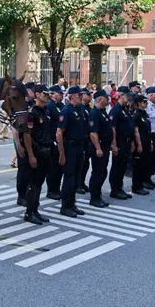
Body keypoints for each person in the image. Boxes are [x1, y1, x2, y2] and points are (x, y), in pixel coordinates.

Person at [22, 84, 54, 225]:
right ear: (37, 95)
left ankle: (35, 210)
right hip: (36, 151)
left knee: (39, 182)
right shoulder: (32, 113)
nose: (47, 96)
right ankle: (29, 212)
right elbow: (27, 135)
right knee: (33, 183)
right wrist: (31, 155)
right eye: (44, 94)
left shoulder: (46, 111)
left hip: (46, 151)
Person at [56, 86, 88, 218]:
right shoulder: (66, 111)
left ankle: (72, 203)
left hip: (79, 147)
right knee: (69, 178)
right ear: (72, 97)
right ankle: (65, 206)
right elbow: (59, 133)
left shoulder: (79, 109)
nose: (82, 97)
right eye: (79, 95)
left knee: (76, 178)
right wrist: (62, 153)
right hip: (70, 148)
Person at [87, 89, 116, 207]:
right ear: (99, 99)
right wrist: (98, 148)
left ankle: (98, 195)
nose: (108, 99)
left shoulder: (103, 112)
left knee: (103, 171)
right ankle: (94, 197)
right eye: (106, 97)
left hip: (105, 146)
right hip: (98, 146)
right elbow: (93, 133)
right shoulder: (95, 113)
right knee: (98, 172)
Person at [108, 86, 134, 200]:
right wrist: (114, 145)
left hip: (127, 142)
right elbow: (112, 128)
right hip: (120, 142)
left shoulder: (124, 109)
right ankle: (115, 189)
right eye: (127, 96)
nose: (128, 98)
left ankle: (119, 188)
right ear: (121, 96)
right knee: (117, 167)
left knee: (122, 166)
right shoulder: (116, 110)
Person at [44, 85, 64, 199]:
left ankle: (57, 188)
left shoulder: (62, 106)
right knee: (53, 168)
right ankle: (51, 190)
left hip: (61, 140)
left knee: (59, 167)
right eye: (59, 93)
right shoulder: (49, 106)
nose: (61, 95)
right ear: (52, 94)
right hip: (53, 140)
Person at [131, 94, 152, 195]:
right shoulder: (137, 115)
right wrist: (139, 144)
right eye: (144, 102)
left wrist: (151, 142)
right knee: (138, 166)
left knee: (145, 164)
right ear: (139, 103)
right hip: (141, 142)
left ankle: (142, 184)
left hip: (146, 141)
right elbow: (136, 131)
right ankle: (136, 186)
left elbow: (147, 129)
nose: (146, 104)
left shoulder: (144, 114)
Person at [78, 88, 92, 194]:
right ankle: (78, 184)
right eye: (88, 95)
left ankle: (82, 182)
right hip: (82, 139)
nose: (90, 97)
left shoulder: (88, 108)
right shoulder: (81, 108)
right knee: (81, 164)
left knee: (86, 162)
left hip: (88, 139)